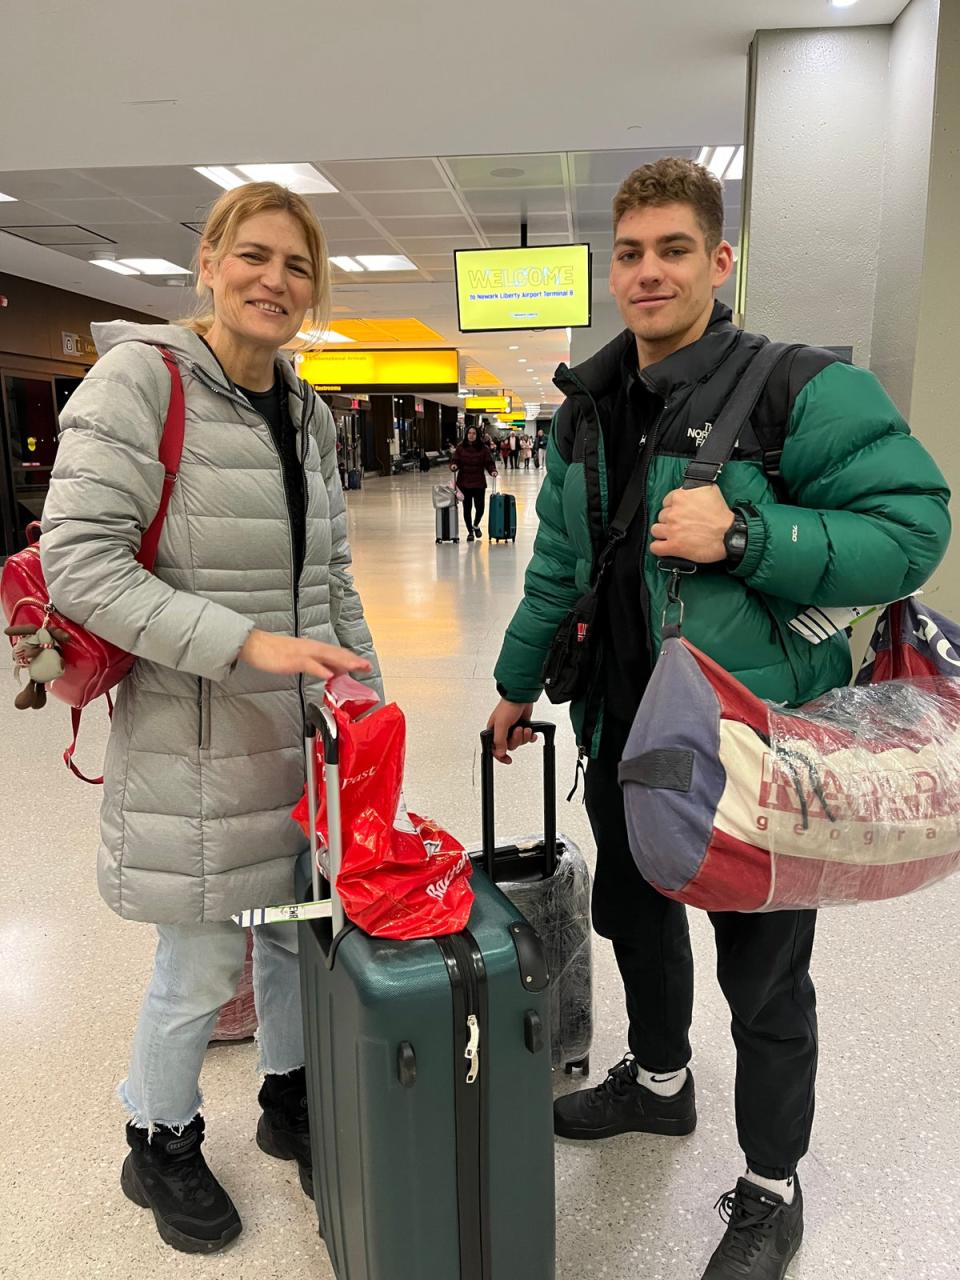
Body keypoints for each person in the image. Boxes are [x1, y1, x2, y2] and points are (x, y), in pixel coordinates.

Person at [486, 157, 950, 1280]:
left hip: (753, 751)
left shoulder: (801, 388)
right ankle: (657, 1082)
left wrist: (748, 537)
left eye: (674, 249)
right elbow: (558, 559)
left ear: (720, 260)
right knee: (636, 924)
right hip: (623, 732)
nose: (649, 272)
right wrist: (513, 680)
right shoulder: (587, 407)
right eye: (632, 252)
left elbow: (915, 525)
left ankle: (771, 1185)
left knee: (765, 974)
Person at [40, 181, 383, 1254]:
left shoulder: (309, 408)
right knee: (197, 964)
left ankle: (289, 1099)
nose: (274, 280)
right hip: (192, 736)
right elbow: (78, 560)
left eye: (296, 266)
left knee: (291, 940)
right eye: (256, 255)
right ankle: (160, 1136)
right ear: (209, 261)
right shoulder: (140, 381)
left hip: (300, 742)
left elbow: (328, 570)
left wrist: (364, 690)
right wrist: (246, 642)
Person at [451, 424, 498, 541]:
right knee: (467, 509)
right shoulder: (460, 448)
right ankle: (470, 532)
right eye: (469, 433)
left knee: (480, 508)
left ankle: (476, 525)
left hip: (478, 483)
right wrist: (453, 466)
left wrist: (493, 471)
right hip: (464, 482)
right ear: (466, 434)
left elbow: (489, 463)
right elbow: (455, 460)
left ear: (477, 435)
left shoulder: (483, 448)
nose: (471, 436)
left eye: (474, 433)